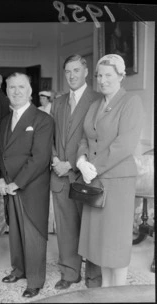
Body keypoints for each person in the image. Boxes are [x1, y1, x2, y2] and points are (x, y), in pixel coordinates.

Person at [76, 54, 144, 287]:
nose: (103, 80)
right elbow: (85, 137)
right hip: (94, 179)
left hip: (117, 181)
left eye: (108, 75)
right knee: (100, 240)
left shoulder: (130, 102)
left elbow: (124, 144)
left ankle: (120, 289)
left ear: (121, 76)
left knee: (116, 239)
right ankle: (106, 287)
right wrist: (81, 160)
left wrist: (93, 168)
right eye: (99, 75)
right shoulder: (95, 104)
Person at [0, 73, 54, 298]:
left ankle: (35, 280)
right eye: (12, 87)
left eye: (21, 87)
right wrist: (2, 179)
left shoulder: (43, 120)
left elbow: (40, 158)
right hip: (10, 185)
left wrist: (16, 183)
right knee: (15, 233)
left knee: (33, 234)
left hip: (31, 187)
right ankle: (19, 270)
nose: (16, 91)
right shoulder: (4, 120)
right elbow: (2, 153)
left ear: (31, 91)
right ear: (7, 90)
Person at [51, 54, 102, 290]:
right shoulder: (58, 102)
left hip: (85, 175)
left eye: (76, 71)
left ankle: (94, 278)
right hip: (59, 176)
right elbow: (48, 136)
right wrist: (55, 160)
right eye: (67, 71)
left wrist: (70, 163)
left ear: (86, 72)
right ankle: (70, 274)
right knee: (66, 228)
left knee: (90, 230)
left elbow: (98, 140)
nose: (71, 76)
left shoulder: (98, 99)